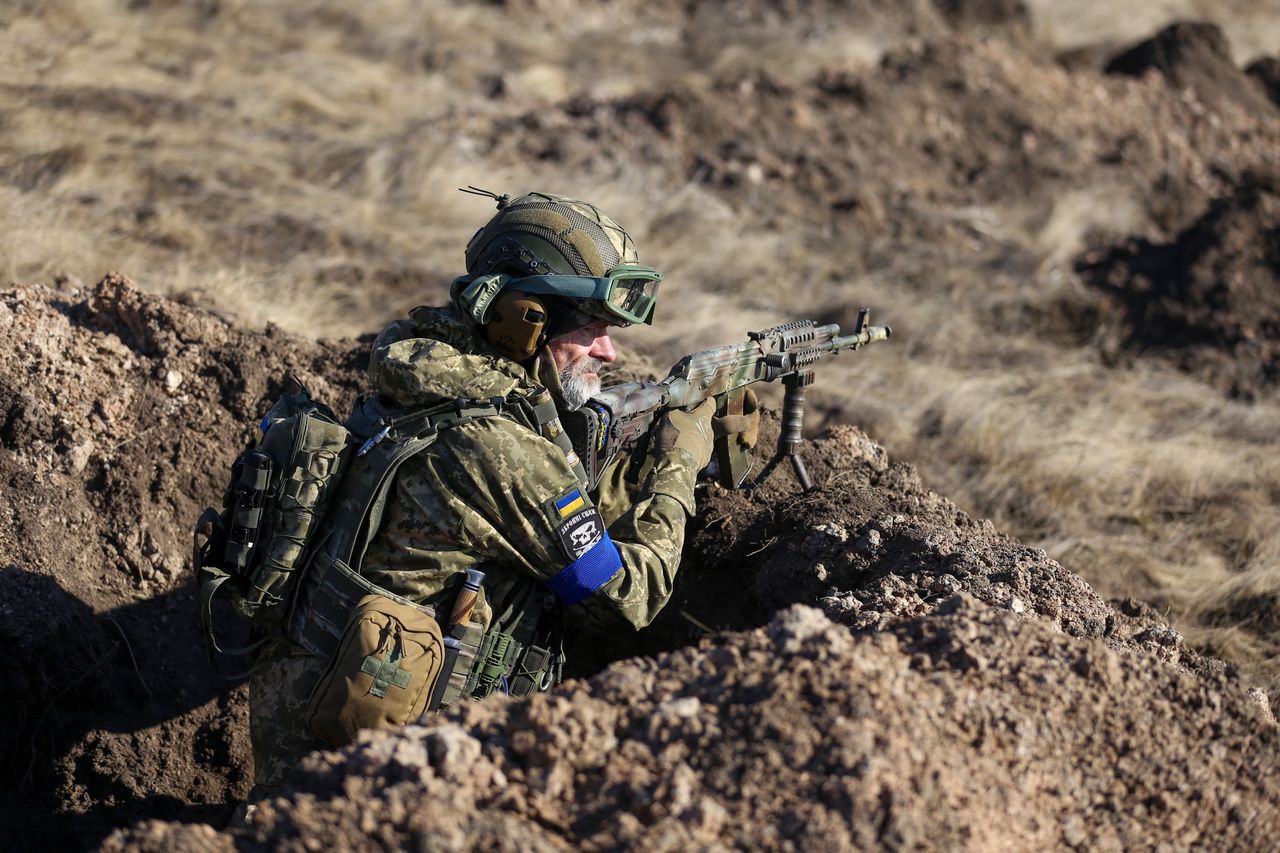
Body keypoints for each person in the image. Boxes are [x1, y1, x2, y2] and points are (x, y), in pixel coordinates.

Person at [247, 190, 758, 792]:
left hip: (312, 723)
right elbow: (628, 598)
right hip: (386, 781)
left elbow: (556, 505)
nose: (609, 351)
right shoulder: (500, 448)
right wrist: (679, 460)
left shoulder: (429, 370)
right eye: (593, 329)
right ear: (524, 318)